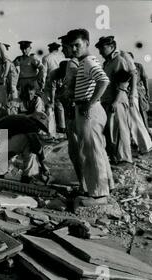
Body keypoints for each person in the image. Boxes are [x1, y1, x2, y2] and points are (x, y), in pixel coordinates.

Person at [67, 28, 113, 205]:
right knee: (93, 150)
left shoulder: (87, 61)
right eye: (72, 46)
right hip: (86, 109)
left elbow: (104, 80)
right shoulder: (85, 61)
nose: (74, 49)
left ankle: (99, 195)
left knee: (92, 152)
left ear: (86, 43)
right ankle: (99, 189)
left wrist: (90, 102)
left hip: (89, 111)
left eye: (77, 45)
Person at [95, 36, 133, 164]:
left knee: (119, 131)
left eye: (102, 48)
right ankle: (114, 158)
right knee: (110, 131)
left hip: (117, 102)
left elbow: (123, 84)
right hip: (107, 101)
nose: (100, 51)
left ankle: (123, 159)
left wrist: (115, 102)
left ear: (112, 47)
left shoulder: (119, 61)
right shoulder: (107, 63)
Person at [0, 111, 51, 183]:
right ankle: (28, 176)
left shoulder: (21, 119)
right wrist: (43, 165)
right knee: (30, 143)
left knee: (23, 142)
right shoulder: (29, 123)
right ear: (36, 122)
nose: (38, 130)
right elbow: (36, 146)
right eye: (39, 127)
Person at [58, 34, 85, 192]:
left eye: (64, 46)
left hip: (74, 112)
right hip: (73, 111)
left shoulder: (74, 65)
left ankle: (84, 185)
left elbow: (76, 87)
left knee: (77, 151)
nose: (62, 49)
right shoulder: (72, 64)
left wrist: (65, 95)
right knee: (77, 150)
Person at [42, 42, 66, 133]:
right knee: (60, 105)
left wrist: (42, 85)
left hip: (50, 80)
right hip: (61, 81)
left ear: (49, 49)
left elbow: (44, 72)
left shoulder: (46, 57)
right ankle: (62, 126)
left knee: (49, 105)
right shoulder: (62, 57)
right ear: (58, 49)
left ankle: (51, 127)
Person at [128, 52, 150, 130]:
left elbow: (145, 78)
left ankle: (147, 131)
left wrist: (147, 92)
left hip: (139, 91)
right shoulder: (123, 67)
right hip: (127, 92)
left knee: (142, 111)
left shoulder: (138, 66)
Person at [3, 43, 19, 116]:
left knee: (13, 105)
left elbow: (13, 76)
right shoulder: (5, 62)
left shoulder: (8, 62)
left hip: (11, 86)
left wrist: (11, 87)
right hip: (8, 86)